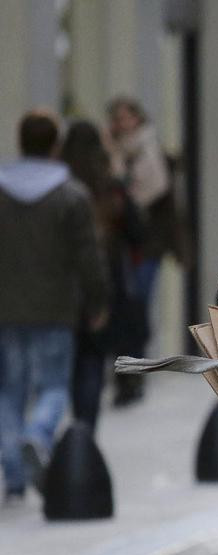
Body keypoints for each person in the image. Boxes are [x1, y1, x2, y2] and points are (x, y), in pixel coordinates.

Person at [0, 110, 109, 503]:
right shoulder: (71, 195)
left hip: (5, 310)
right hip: (55, 309)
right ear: (55, 146)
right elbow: (88, 256)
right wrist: (98, 300)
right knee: (52, 387)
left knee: (8, 392)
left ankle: (13, 478)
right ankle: (38, 434)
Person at [60, 119, 143, 430]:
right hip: (106, 281)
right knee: (93, 361)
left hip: (64, 283)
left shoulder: (61, 183)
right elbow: (138, 230)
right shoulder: (110, 184)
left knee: (71, 359)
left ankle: (73, 427)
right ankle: (85, 429)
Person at [106, 96, 180, 405]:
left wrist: (126, 189)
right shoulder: (116, 151)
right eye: (117, 118)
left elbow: (155, 189)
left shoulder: (146, 146)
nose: (122, 123)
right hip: (124, 245)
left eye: (126, 117)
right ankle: (127, 373)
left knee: (137, 305)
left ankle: (134, 372)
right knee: (126, 308)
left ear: (137, 118)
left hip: (146, 244)